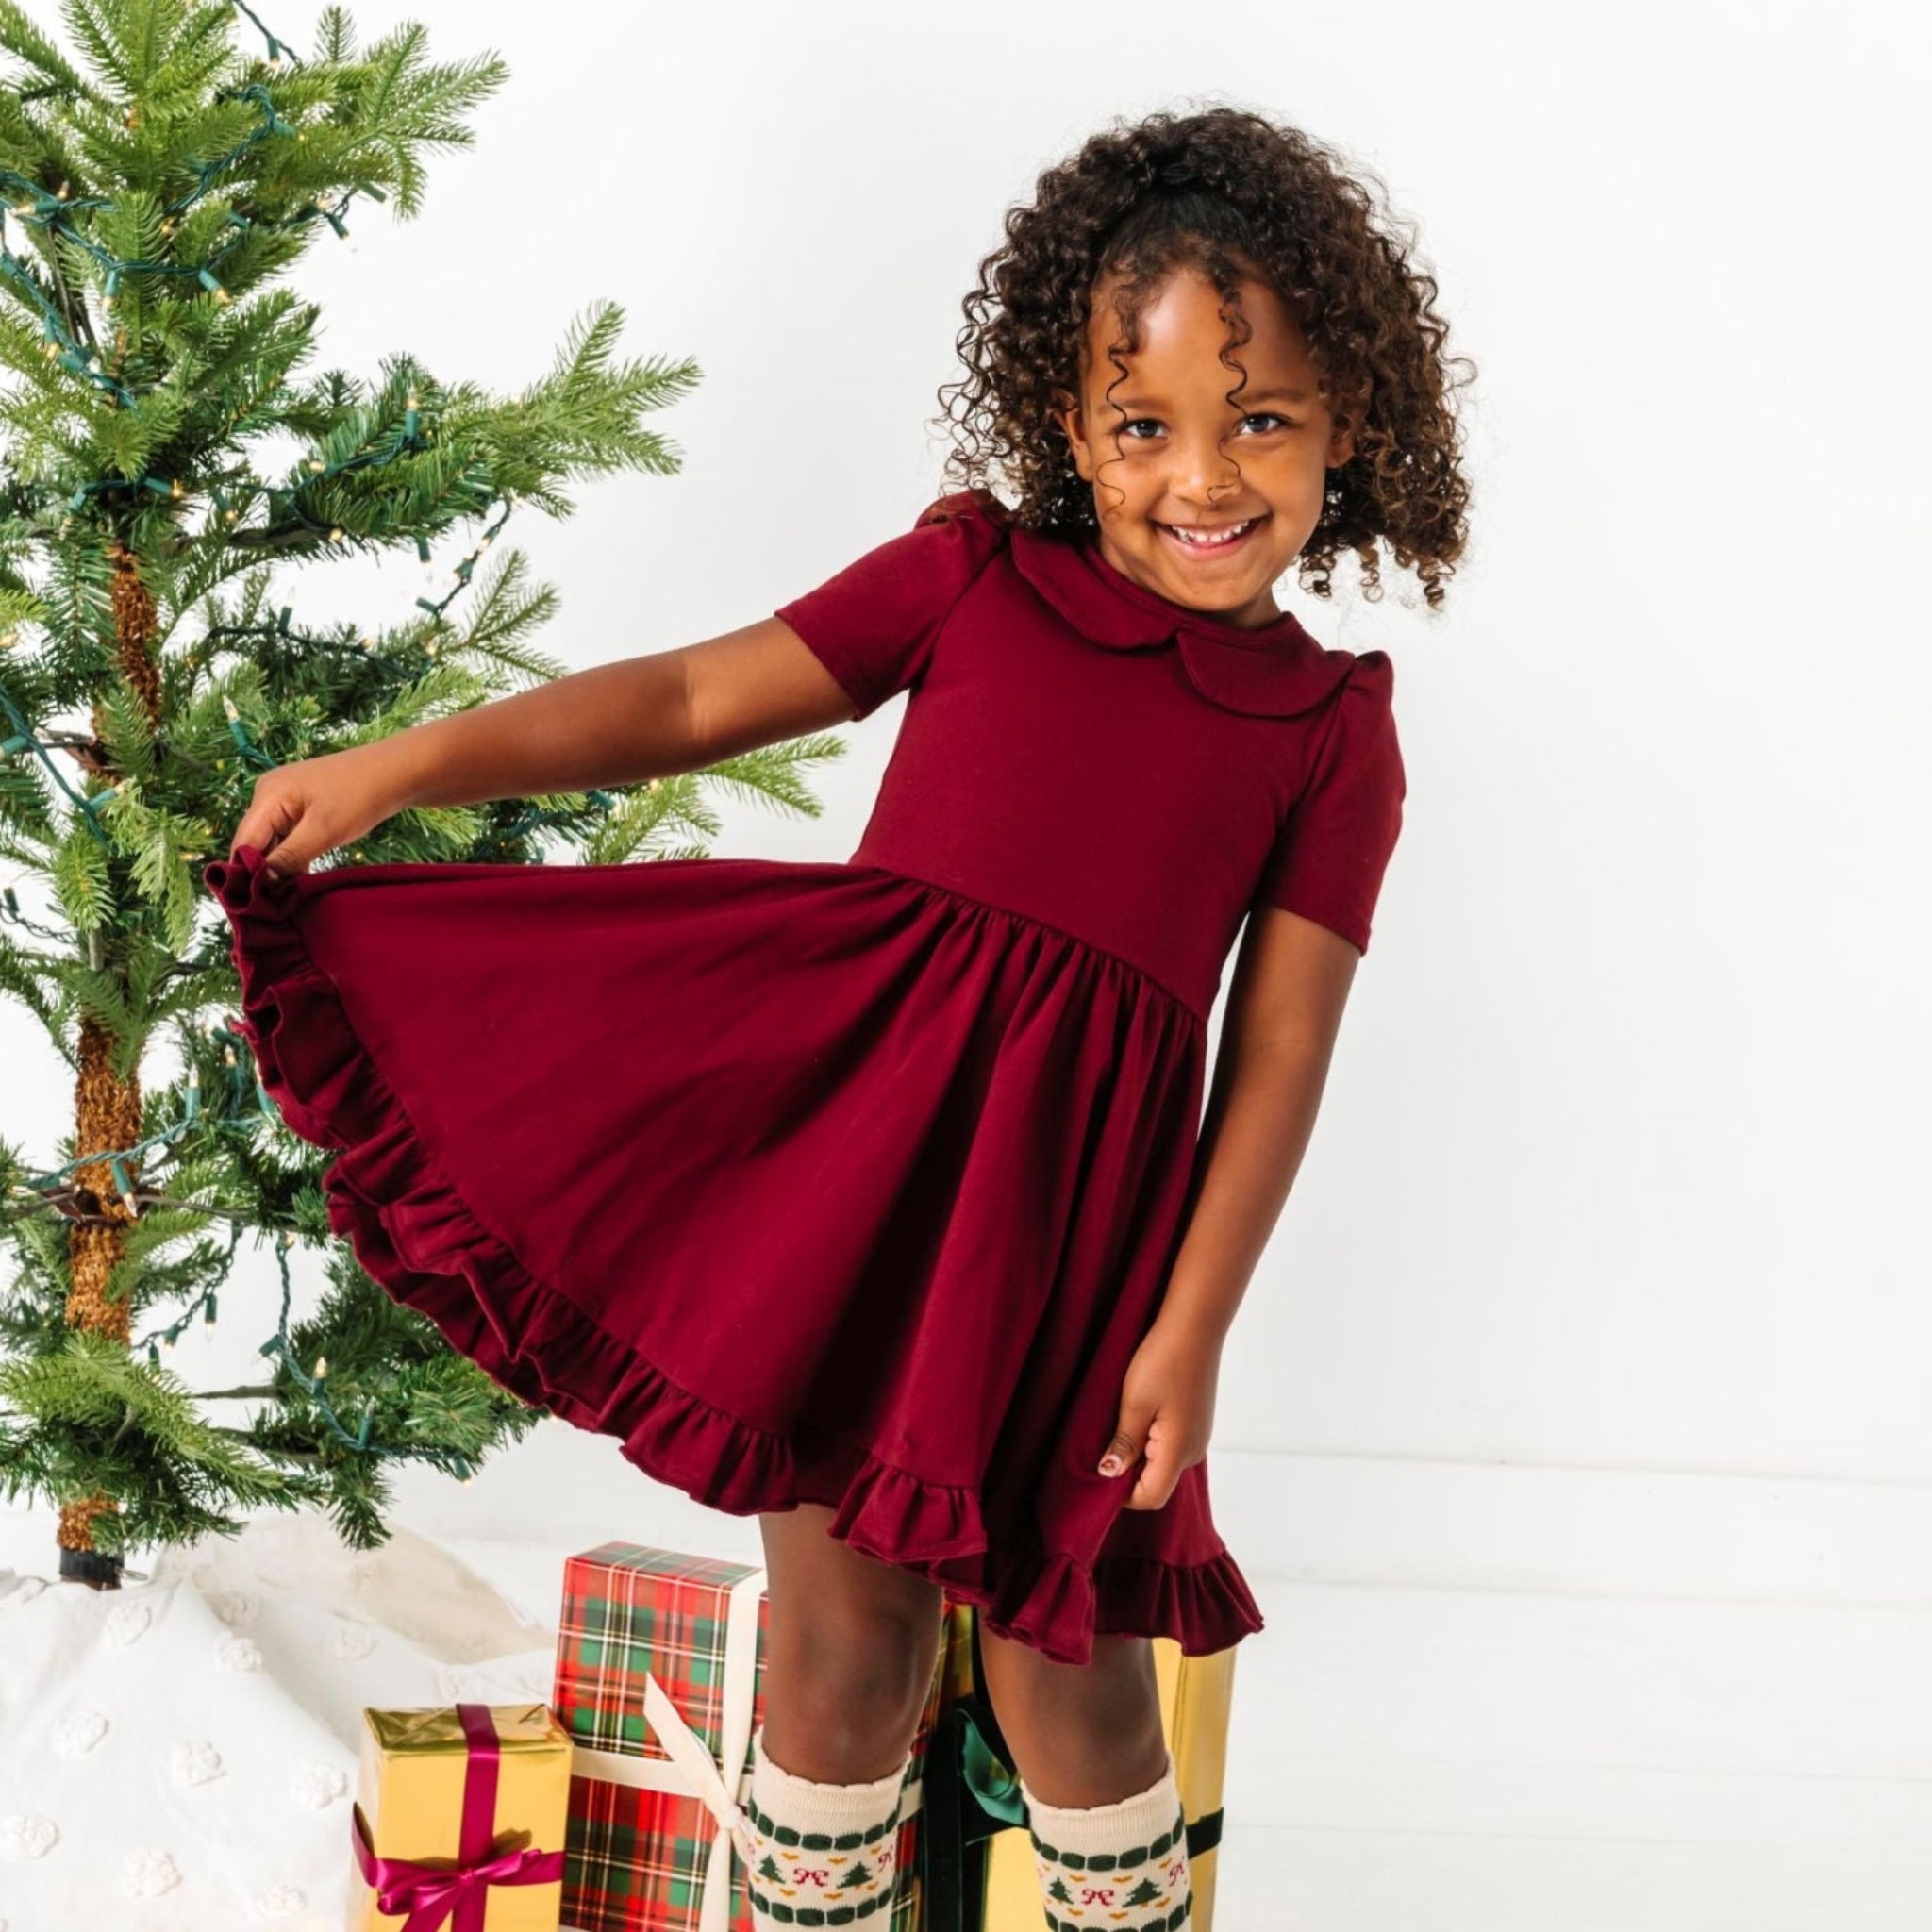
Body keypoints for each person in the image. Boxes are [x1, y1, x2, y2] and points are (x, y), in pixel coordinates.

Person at [204, 104, 1472, 1930]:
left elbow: (1275, 1055)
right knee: (841, 1650)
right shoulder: (969, 579)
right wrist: (409, 765)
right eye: (1146, 424)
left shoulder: (1327, 728)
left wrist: (1189, 1330)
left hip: (1072, 1250)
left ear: (1349, 418)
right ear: (1069, 425)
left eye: (1257, 418)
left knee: (1071, 1675)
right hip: (855, 1190)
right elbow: (696, 689)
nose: (1203, 476)